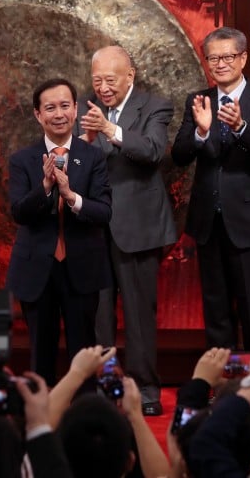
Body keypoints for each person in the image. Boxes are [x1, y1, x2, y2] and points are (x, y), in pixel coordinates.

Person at [172, 27, 250, 352]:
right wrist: (201, 133)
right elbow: (179, 155)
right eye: (213, 58)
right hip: (209, 222)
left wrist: (241, 127)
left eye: (227, 56)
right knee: (216, 310)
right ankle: (217, 388)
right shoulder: (198, 101)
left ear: (243, 58)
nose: (220, 64)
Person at [78, 45, 176, 416]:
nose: (102, 88)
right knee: (99, 314)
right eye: (97, 80)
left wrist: (109, 128)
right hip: (95, 226)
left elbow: (152, 151)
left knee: (138, 314)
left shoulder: (155, 106)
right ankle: (105, 386)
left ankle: (145, 388)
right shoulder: (86, 106)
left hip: (139, 226)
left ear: (130, 75)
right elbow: (78, 158)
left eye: (110, 80)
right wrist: (84, 142)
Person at [6, 78, 112, 385]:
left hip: (83, 267)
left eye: (65, 106)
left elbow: (104, 211)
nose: (59, 114)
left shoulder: (93, 157)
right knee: (41, 353)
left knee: (84, 353)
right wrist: (46, 187)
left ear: (76, 110)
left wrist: (71, 196)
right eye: (50, 108)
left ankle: (83, 419)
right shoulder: (23, 159)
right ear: (38, 115)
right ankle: (43, 420)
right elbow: (19, 213)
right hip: (38, 269)